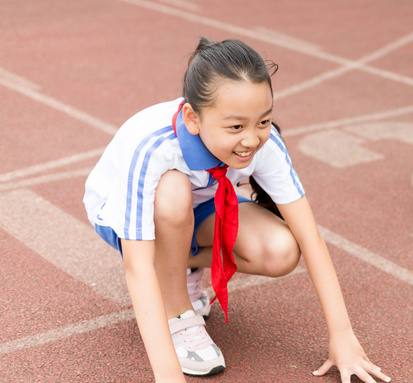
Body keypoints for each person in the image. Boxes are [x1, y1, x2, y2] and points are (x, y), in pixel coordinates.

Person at [83, 38, 390, 383]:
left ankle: (180, 264)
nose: (251, 140)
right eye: (236, 127)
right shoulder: (153, 148)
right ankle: (178, 313)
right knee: (172, 192)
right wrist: (169, 377)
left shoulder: (266, 145)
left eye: (263, 121)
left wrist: (343, 337)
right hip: (127, 215)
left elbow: (310, 237)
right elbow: (138, 268)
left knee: (281, 251)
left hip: (204, 206)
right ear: (193, 119)